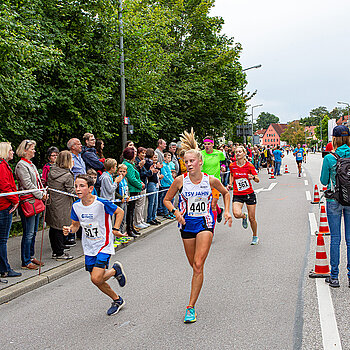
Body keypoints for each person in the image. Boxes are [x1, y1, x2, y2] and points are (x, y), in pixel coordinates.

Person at [164, 129, 232, 323]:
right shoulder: (180, 181)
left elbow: (226, 193)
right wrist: (176, 212)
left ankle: (190, 307)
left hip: (205, 223)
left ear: (200, 162)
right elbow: (167, 200)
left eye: (192, 161)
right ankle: (198, 281)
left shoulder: (210, 180)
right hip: (187, 225)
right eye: (186, 161)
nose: (189, 164)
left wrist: (226, 211)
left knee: (199, 264)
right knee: (194, 266)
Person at [63, 174, 127, 316]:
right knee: (97, 280)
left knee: (96, 278)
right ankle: (117, 299)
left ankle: (115, 273)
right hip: (89, 246)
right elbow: (75, 226)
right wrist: (69, 230)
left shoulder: (101, 203)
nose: (78, 189)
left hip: (104, 244)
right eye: (76, 186)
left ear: (91, 188)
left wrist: (116, 229)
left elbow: (120, 212)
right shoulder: (76, 206)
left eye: (82, 186)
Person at [320, 125, 350, 288]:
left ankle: (334, 276)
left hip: (334, 201)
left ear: (334, 139)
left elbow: (324, 181)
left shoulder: (329, 158)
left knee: (335, 239)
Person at [15, 140, 47, 269]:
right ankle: (25, 260)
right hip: (28, 202)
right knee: (28, 232)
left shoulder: (31, 164)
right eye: (32, 148)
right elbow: (28, 185)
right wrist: (41, 195)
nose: (34, 151)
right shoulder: (21, 165)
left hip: (35, 201)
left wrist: (43, 191)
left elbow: (37, 182)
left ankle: (31, 255)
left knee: (33, 231)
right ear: (25, 150)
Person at [46, 151, 75, 260]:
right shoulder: (67, 175)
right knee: (60, 227)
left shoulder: (52, 171)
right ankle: (59, 252)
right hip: (63, 203)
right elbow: (71, 191)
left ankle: (56, 249)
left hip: (53, 202)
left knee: (53, 227)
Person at [228, 145, 260, 245]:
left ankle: (255, 236)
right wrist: (230, 183)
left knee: (252, 219)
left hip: (249, 194)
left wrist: (253, 177)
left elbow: (258, 179)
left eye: (240, 152)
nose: (237, 153)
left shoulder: (249, 166)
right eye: (236, 152)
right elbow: (232, 174)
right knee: (236, 214)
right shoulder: (232, 165)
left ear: (244, 153)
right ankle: (243, 216)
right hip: (238, 194)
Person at [0, 142, 21, 278]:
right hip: (4, 206)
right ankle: (4, 268)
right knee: (2, 240)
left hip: (5, 204)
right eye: (11, 150)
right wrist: (15, 200)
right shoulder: (2, 166)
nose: (13, 152)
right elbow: (5, 186)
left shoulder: (4, 165)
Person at [201, 136, 225, 223]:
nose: (207, 146)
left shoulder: (218, 153)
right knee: (206, 203)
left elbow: (224, 161)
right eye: (205, 144)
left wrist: (223, 166)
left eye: (209, 144)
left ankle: (211, 227)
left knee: (213, 204)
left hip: (215, 182)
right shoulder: (200, 154)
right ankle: (219, 211)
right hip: (203, 182)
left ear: (212, 144)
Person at [122, 147, 144, 237]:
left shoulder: (130, 164)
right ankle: (129, 229)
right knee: (130, 210)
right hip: (132, 190)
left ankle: (131, 227)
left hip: (134, 189)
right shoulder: (128, 165)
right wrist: (140, 185)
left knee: (132, 210)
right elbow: (132, 179)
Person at [134, 147, 151, 229]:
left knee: (142, 204)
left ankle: (141, 220)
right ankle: (137, 221)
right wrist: (149, 171)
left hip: (144, 184)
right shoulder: (137, 162)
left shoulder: (143, 161)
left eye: (145, 153)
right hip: (140, 185)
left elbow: (145, 172)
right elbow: (141, 174)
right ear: (138, 153)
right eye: (142, 153)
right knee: (139, 204)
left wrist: (149, 171)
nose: (144, 155)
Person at [144, 149, 161, 225]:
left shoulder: (152, 163)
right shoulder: (148, 163)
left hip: (155, 183)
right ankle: (149, 218)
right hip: (151, 183)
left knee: (155, 202)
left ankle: (153, 217)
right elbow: (149, 173)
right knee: (152, 202)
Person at [158, 151, 175, 218]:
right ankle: (166, 213)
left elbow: (170, 175)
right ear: (164, 158)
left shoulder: (168, 165)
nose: (169, 159)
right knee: (166, 199)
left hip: (170, 184)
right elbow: (165, 176)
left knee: (172, 199)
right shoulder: (163, 165)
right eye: (168, 157)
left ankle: (171, 211)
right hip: (165, 185)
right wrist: (171, 182)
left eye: (170, 157)